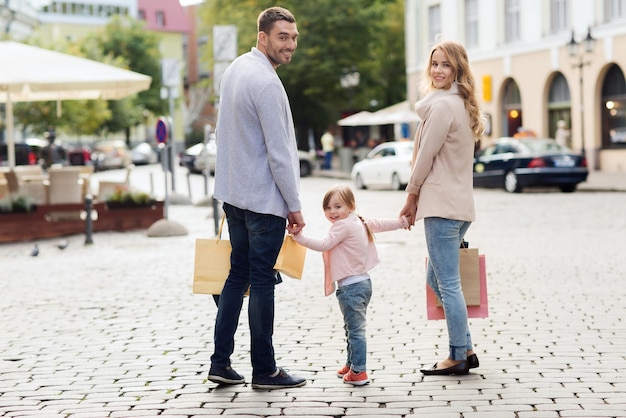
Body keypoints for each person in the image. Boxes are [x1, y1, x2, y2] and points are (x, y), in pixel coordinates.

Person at [208, 6, 307, 390]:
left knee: (238, 275)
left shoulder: (235, 69)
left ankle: (220, 362)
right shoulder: (266, 82)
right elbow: (279, 152)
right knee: (262, 280)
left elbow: (222, 132)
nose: (291, 44)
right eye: (283, 37)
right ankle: (265, 370)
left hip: (234, 195)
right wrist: (294, 206)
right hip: (263, 201)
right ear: (263, 37)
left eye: (294, 37)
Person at [399, 41, 484, 376]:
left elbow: (425, 158)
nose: (437, 70)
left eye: (445, 65)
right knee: (436, 277)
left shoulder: (442, 107)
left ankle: (457, 355)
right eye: (434, 63)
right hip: (460, 206)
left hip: (441, 205)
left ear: (457, 70)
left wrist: (410, 196)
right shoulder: (461, 106)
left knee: (447, 283)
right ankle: (466, 347)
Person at [289, 185, 408, 386]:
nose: (332, 212)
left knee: (355, 331)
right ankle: (352, 363)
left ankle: (359, 372)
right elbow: (380, 223)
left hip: (351, 288)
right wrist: (400, 222)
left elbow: (324, 244)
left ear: (351, 206)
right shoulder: (358, 220)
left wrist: (299, 238)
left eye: (338, 206)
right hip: (362, 283)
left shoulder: (343, 225)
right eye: (328, 208)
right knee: (351, 328)